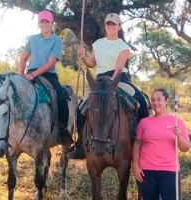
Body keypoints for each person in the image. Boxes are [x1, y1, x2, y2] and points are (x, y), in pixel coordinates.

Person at [67, 13, 149, 159]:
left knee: (141, 100)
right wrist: (83, 57)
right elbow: (92, 63)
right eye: (108, 24)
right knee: (81, 107)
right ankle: (80, 145)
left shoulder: (123, 45)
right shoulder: (98, 43)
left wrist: (112, 83)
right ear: (105, 26)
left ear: (119, 26)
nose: (111, 26)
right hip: (99, 80)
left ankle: (143, 142)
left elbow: (119, 67)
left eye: (114, 24)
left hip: (119, 79)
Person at [18, 10, 72, 145]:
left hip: (48, 74)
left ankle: (63, 131)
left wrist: (32, 75)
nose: (45, 24)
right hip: (30, 72)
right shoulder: (33, 39)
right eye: (42, 21)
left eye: (47, 21)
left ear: (52, 23)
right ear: (39, 24)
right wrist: (20, 77)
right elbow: (24, 57)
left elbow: (50, 63)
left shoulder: (57, 40)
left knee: (61, 98)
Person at [133, 88, 191, 200]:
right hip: (147, 171)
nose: (155, 103)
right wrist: (135, 166)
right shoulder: (144, 122)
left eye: (159, 99)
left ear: (166, 100)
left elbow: (185, 148)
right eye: (153, 100)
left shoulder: (176, 122)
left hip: (170, 170)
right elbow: (137, 144)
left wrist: (179, 136)